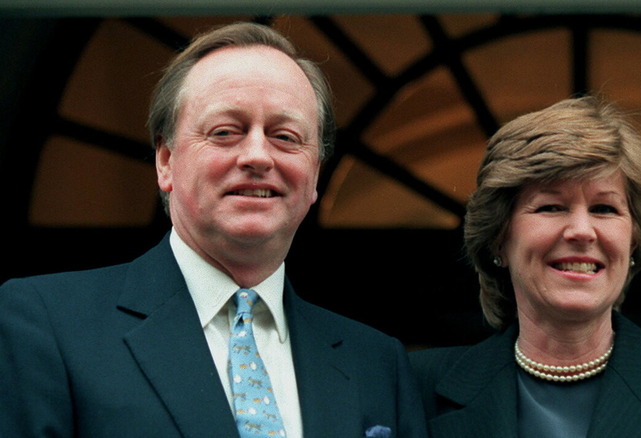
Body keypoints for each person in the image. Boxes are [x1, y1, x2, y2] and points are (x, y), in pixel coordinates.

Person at [0, 22, 426, 438]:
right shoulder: (44, 324)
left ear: (314, 175)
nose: (258, 155)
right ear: (165, 161)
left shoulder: (377, 363)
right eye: (225, 132)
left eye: (285, 136)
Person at [411, 96, 641, 437]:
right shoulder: (416, 386)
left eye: (605, 209)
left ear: (633, 241)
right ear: (498, 240)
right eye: (551, 207)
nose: (582, 231)